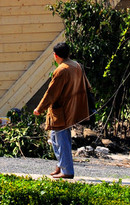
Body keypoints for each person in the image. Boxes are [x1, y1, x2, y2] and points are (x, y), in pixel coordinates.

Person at [33, 42, 91, 179]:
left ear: (55, 55)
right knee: (54, 137)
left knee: (62, 140)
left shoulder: (61, 70)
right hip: (73, 107)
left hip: (62, 111)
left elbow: (51, 93)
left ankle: (67, 171)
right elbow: (87, 86)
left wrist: (39, 108)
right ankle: (61, 165)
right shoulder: (77, 66)